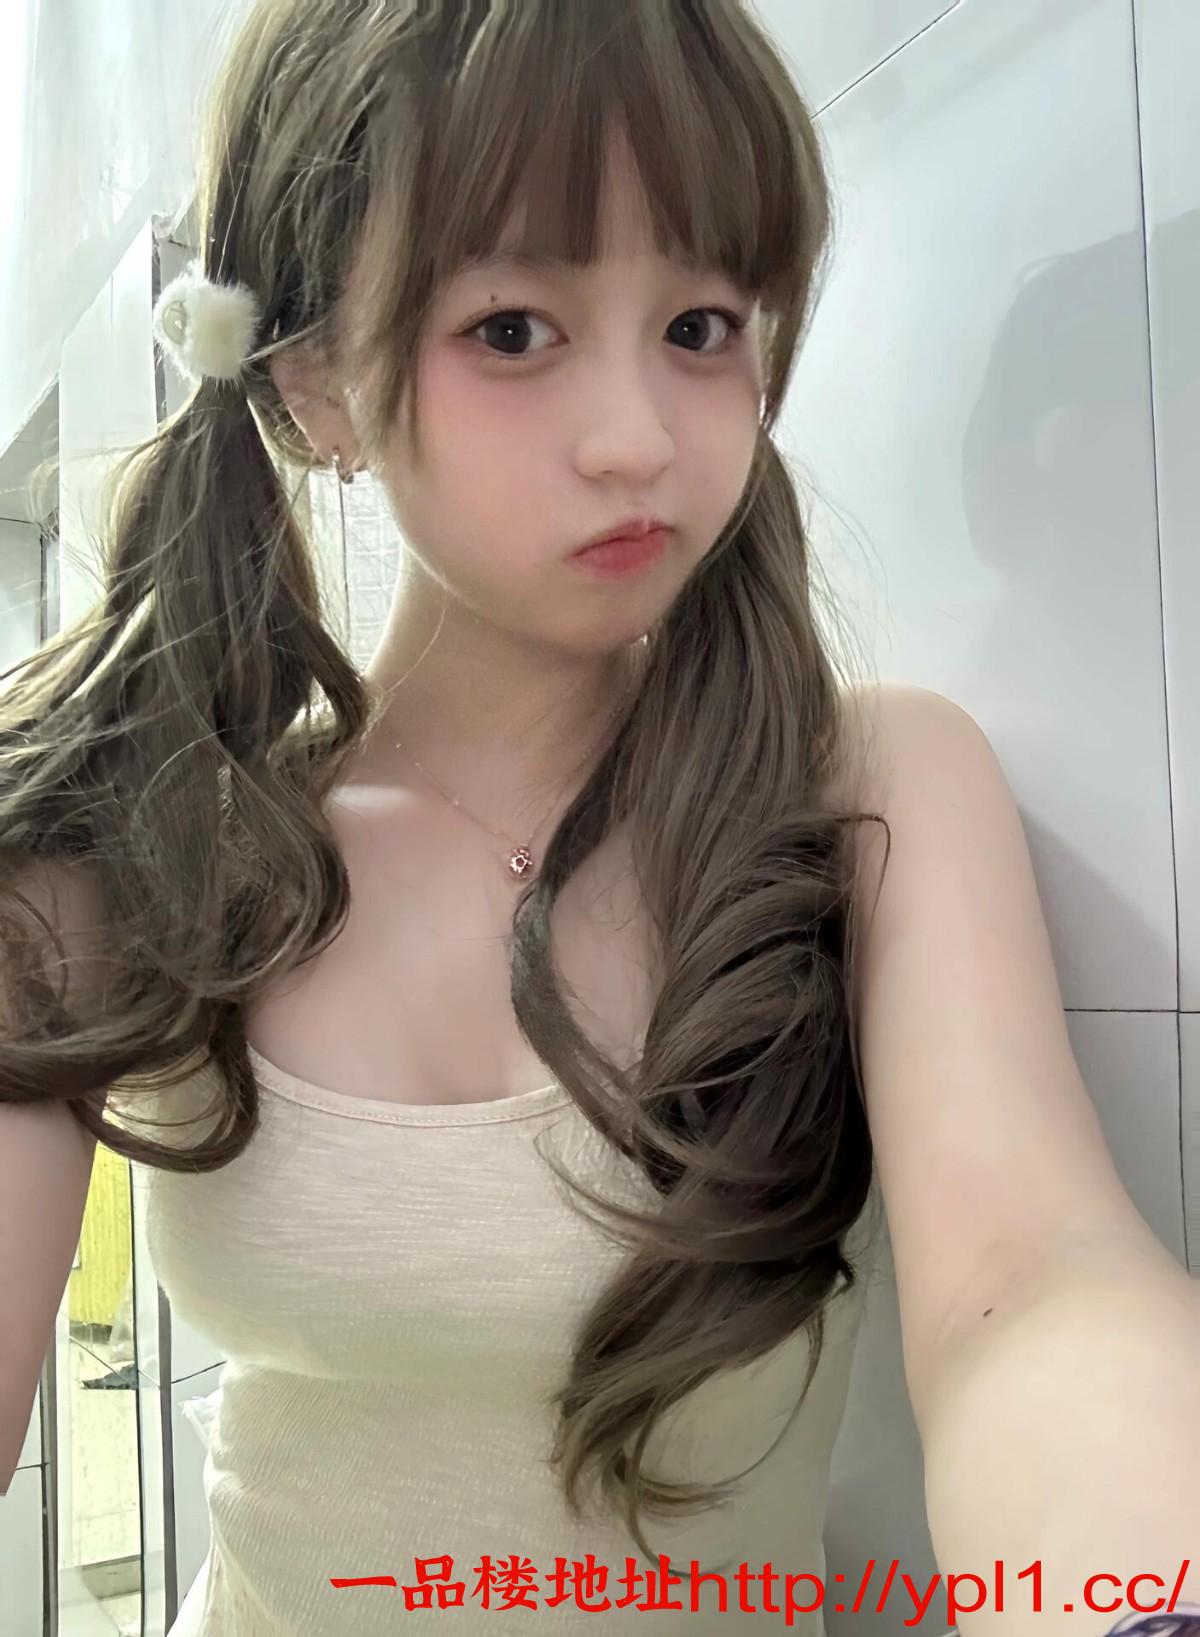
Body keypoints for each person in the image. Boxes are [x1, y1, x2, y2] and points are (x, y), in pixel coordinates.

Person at [1, 3, 1196, 1634]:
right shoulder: (145, 845)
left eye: (700, 324)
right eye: (513, 330)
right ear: (314, 383)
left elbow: (1033, 1282)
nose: (640, 437)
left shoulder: (865, 792)